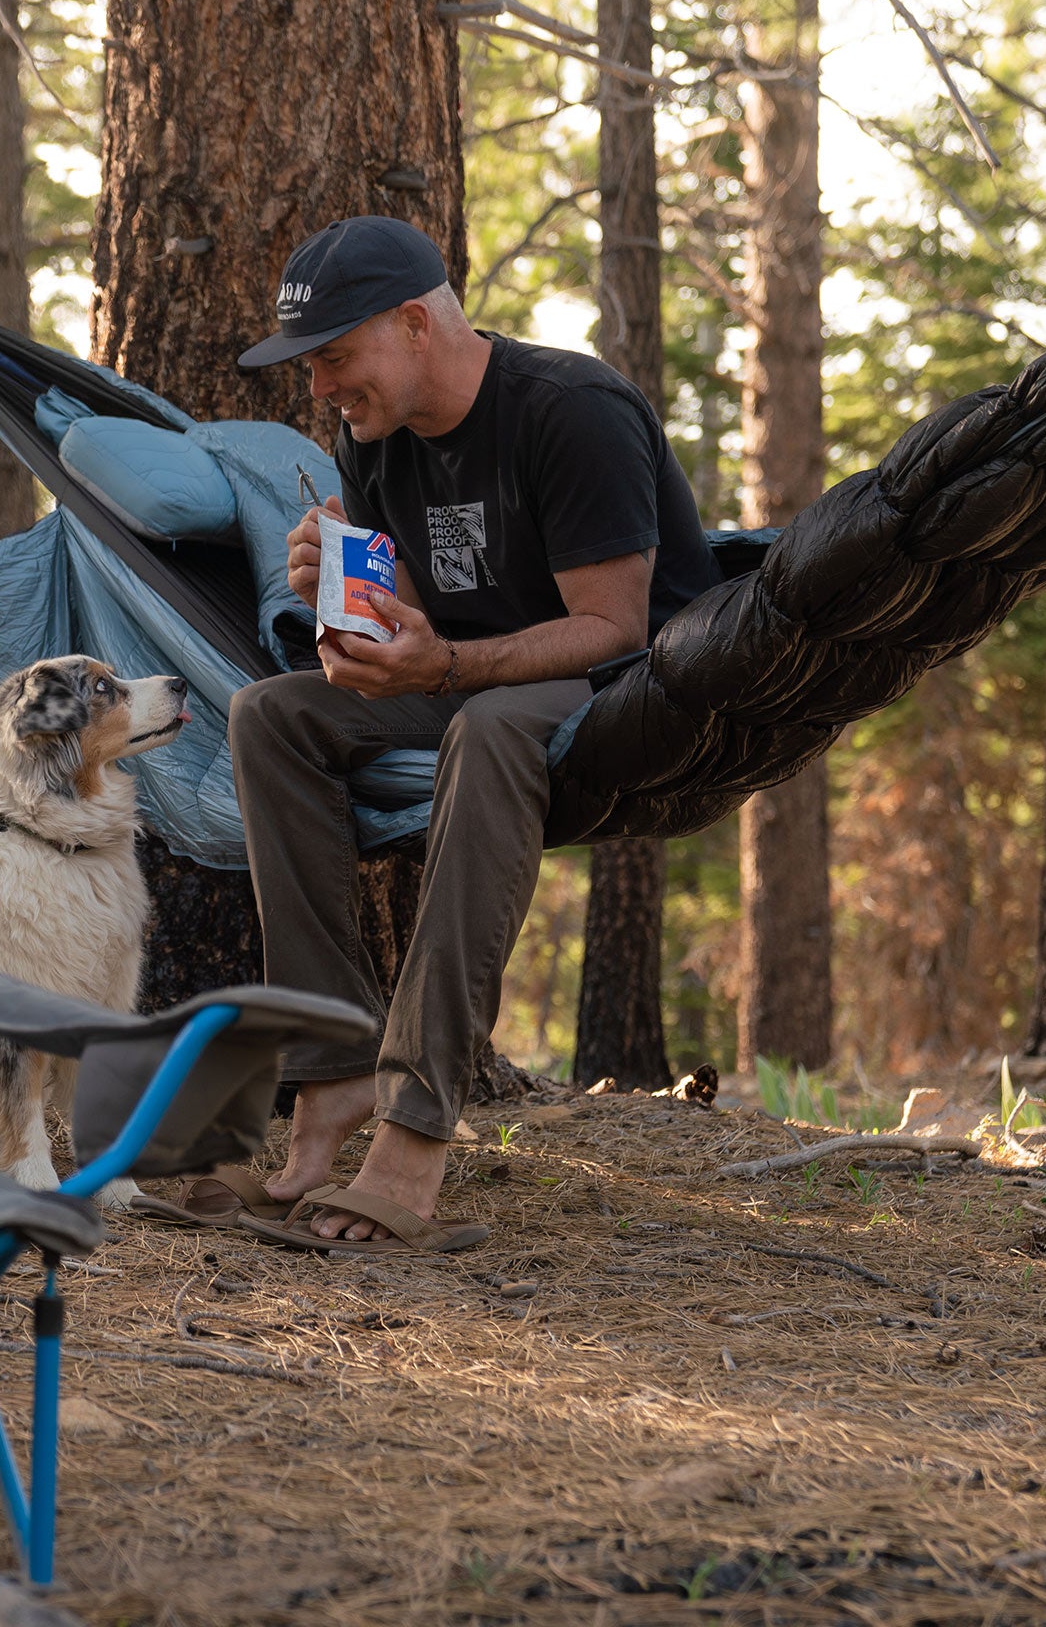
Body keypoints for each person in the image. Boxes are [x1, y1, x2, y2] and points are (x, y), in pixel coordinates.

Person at [226, 216, 719, 1251]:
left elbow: (612, 625)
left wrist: (441, 664)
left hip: (630, 688)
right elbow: (417, 605)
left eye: (332, 356)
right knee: (270, 715)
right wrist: (346, 604)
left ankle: (414, 1122)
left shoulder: (568, 409)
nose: (320, 387)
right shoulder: (370, 435)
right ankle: (331, 1068)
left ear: (412, 323)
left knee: (489, 728)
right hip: (469, 670)